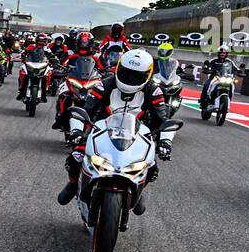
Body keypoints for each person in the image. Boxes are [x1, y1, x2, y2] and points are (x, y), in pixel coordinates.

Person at [58, 49, 177, 210]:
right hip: (99, 130)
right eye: (126, 73)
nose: (130, 79)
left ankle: (139, 191)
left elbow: (163, 119)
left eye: (137, 76)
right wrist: (77, 132)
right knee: (76, 156)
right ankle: (73, 184)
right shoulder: (104, 84)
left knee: (152, 167)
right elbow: (87, 109)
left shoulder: (153, 90)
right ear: (119, 68)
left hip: (136, 134)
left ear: (148, 74)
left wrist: (165, 142)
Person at [197, 45, 233, 110]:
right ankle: (203, 102)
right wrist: (207, 69)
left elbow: (236, 68)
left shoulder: (229, 62)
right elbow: (207, 66)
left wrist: (239, 71)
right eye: (221, 53)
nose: (222, 54)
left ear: (226, 54)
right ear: (218, 53)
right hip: (214, 78)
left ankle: (229, 100)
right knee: (206, 85)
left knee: (232, 85)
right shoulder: (214, 60)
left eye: (224, 53)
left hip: (226, 78)